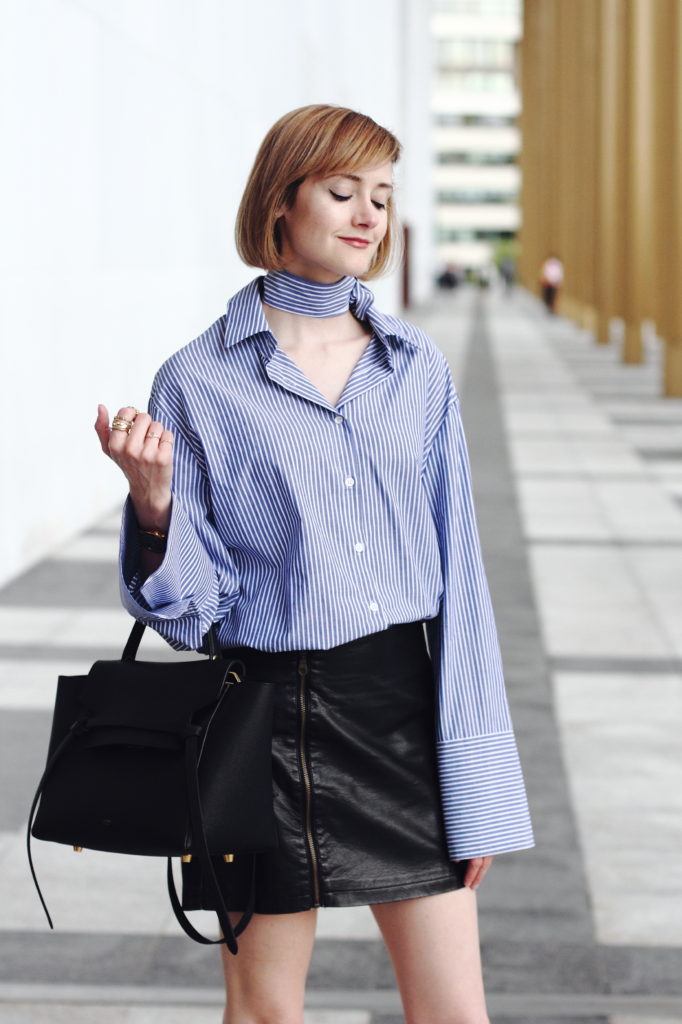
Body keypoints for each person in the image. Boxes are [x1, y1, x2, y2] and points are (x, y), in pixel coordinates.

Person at [95, 104, 534, 1024]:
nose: (369, 214)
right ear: (281, 203)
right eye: (343, 191)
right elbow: (193, 613)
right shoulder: (196, 378)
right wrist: (154, 501)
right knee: (263, 1012)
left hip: (400, 711)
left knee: (455, 1012)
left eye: (381, 195)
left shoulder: (417, 372)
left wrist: (480, 782)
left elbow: (465, 582)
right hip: (255, 714)